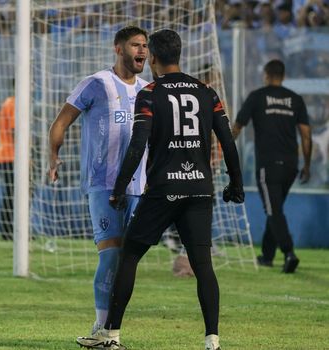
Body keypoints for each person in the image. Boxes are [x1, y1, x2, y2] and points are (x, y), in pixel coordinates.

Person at [76, 29, 244, 350]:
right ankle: (212, 340)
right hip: (199, 189)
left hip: (164, 189)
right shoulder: (207, 92)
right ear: (179, 55)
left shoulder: (150, 93)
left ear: (153, 57)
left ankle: (110, 336)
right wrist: (235, 183)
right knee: (203, 264)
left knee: (129, 256)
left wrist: (120, 186)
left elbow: (138, 145)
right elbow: (227, 141)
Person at [48, 26, 148, 336]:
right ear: (119, 48)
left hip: (139, 186)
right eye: (135, 45)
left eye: (145, 45)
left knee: (127, 261)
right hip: (103, 185)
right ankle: (101, 326)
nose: (142, 51)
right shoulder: (96, 84)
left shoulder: (148, 90)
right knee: (110, 255)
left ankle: (111, 328)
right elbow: (61, 121)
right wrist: (53, 156)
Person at [232, 59, 312, 273]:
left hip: (268, 164)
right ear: (283, 76)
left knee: (273, 208)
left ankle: (289, 253)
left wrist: (226, 150)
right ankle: (267, 255)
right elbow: (306, 134)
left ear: (266, 75)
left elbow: (238, 126)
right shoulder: (295, 99)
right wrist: (307, 165)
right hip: (291, 166)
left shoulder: (257, 97)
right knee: (274, 208)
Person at [0, 91, 15, 241]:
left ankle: (9, 231)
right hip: (12, 156)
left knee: (10, 193)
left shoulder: (7, 102)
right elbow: (15, 130)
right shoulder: (15, 103)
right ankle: (9, 231)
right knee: (14, 193)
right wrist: (25, 155)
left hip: (4, 154)